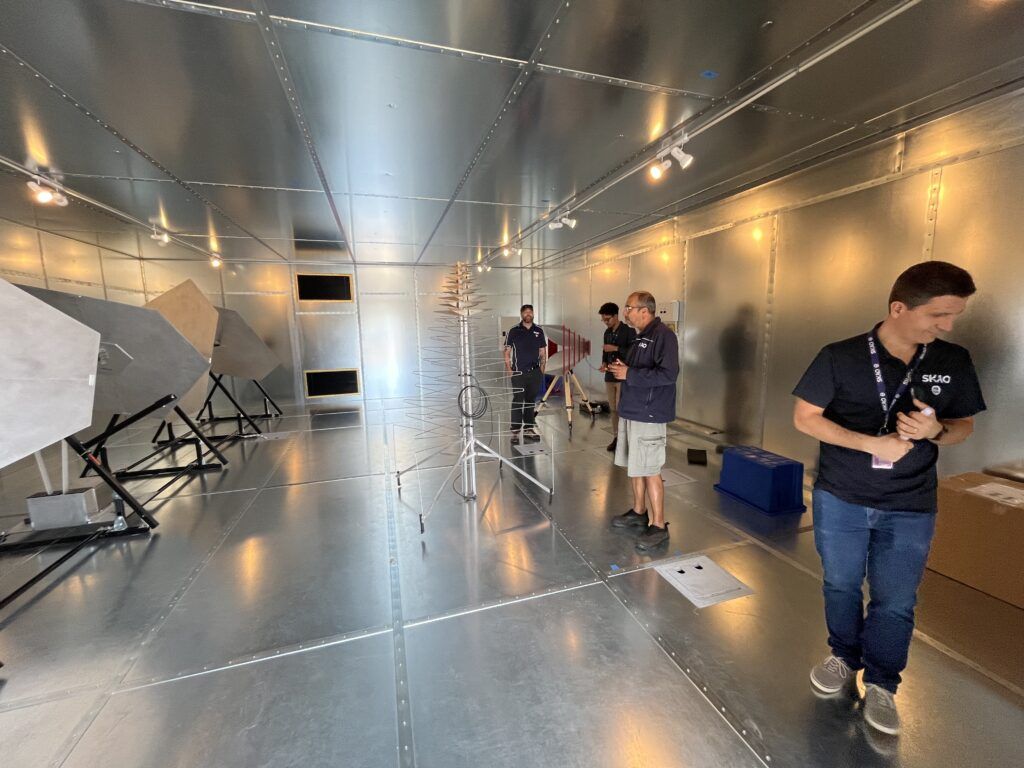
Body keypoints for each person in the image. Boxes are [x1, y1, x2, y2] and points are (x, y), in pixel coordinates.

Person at [792, 261, 985, 736]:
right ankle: (843, 656)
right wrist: (870, 444)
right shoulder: (840, 356)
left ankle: (882, 683)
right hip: (841, 496)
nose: (947, 326)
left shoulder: (952, 360)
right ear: (899, 308)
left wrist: (935, 431)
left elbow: (964, 427)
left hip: (911, 503)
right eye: (938, 315)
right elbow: (805, 417)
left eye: (954, 315)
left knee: (895, 599)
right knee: (840, 584)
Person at [607, 291, 680, 550]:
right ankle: (639, 512)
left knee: (650, 470)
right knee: (635, 466)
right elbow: (636, 371)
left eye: (629, 308)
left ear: (644, 311)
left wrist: (629, 374)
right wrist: (621, 369)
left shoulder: (664, 336)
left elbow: (669, 374)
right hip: (633, 411)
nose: (625, 312)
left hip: (649, 414)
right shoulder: (640, 337)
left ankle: (658, 525)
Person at [504, 304, 547, 446]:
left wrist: (542, 369)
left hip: (535, 372)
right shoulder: (514, 331)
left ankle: (528, 428)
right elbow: (507, 352)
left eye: (530, 312)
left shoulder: (538, 331)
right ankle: (515, 431)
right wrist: (509, 370)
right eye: (525, 312)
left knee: (530, 401)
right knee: (518, 400)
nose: (528, 314)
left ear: (533, 314)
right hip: (518, 373)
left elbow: (542, 351)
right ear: (521, 314)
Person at [598, 301, 637, 453]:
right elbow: (605, 351)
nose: (606, 322)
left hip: (623, 377)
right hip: (610, 376)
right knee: (613, 409)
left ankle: (627, 438)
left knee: (623, 409)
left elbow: (633, 353)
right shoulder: (607, 333)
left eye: (607, 319)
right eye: (603, 320)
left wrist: (615, 348)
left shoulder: (629, 332)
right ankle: (617, 437)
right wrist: (604, 363)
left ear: (616, 316)